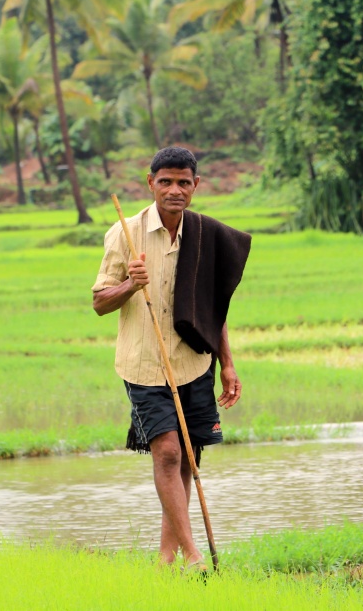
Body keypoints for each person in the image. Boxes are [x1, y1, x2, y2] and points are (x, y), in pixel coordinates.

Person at [93, 146, 251, 568]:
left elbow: (212, 308)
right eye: (166, 182)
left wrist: (228, 363)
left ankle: (166, 556)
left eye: (184, 182)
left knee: (187, 457)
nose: (175, 190)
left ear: (196, 185)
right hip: (143, 365)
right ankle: (195, 555)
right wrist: (130, 284)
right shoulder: (125, 233)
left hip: (194, 362)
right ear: (151, 183)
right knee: (166, 452)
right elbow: (99, 303)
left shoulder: (204, 236)